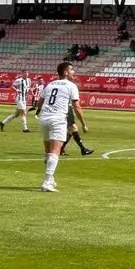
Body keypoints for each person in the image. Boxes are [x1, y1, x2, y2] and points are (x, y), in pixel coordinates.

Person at [34, 62, 87, 192]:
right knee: (55, 152)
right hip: (58, 119)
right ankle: (47, 182)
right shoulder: (71, 86)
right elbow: (77, 107)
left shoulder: (50, 84)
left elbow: (39, 103)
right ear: (65, 72)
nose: (74, 72)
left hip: (44, 118)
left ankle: (50, 179)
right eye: (71, 70)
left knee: (48, 153)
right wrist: (83, 123)